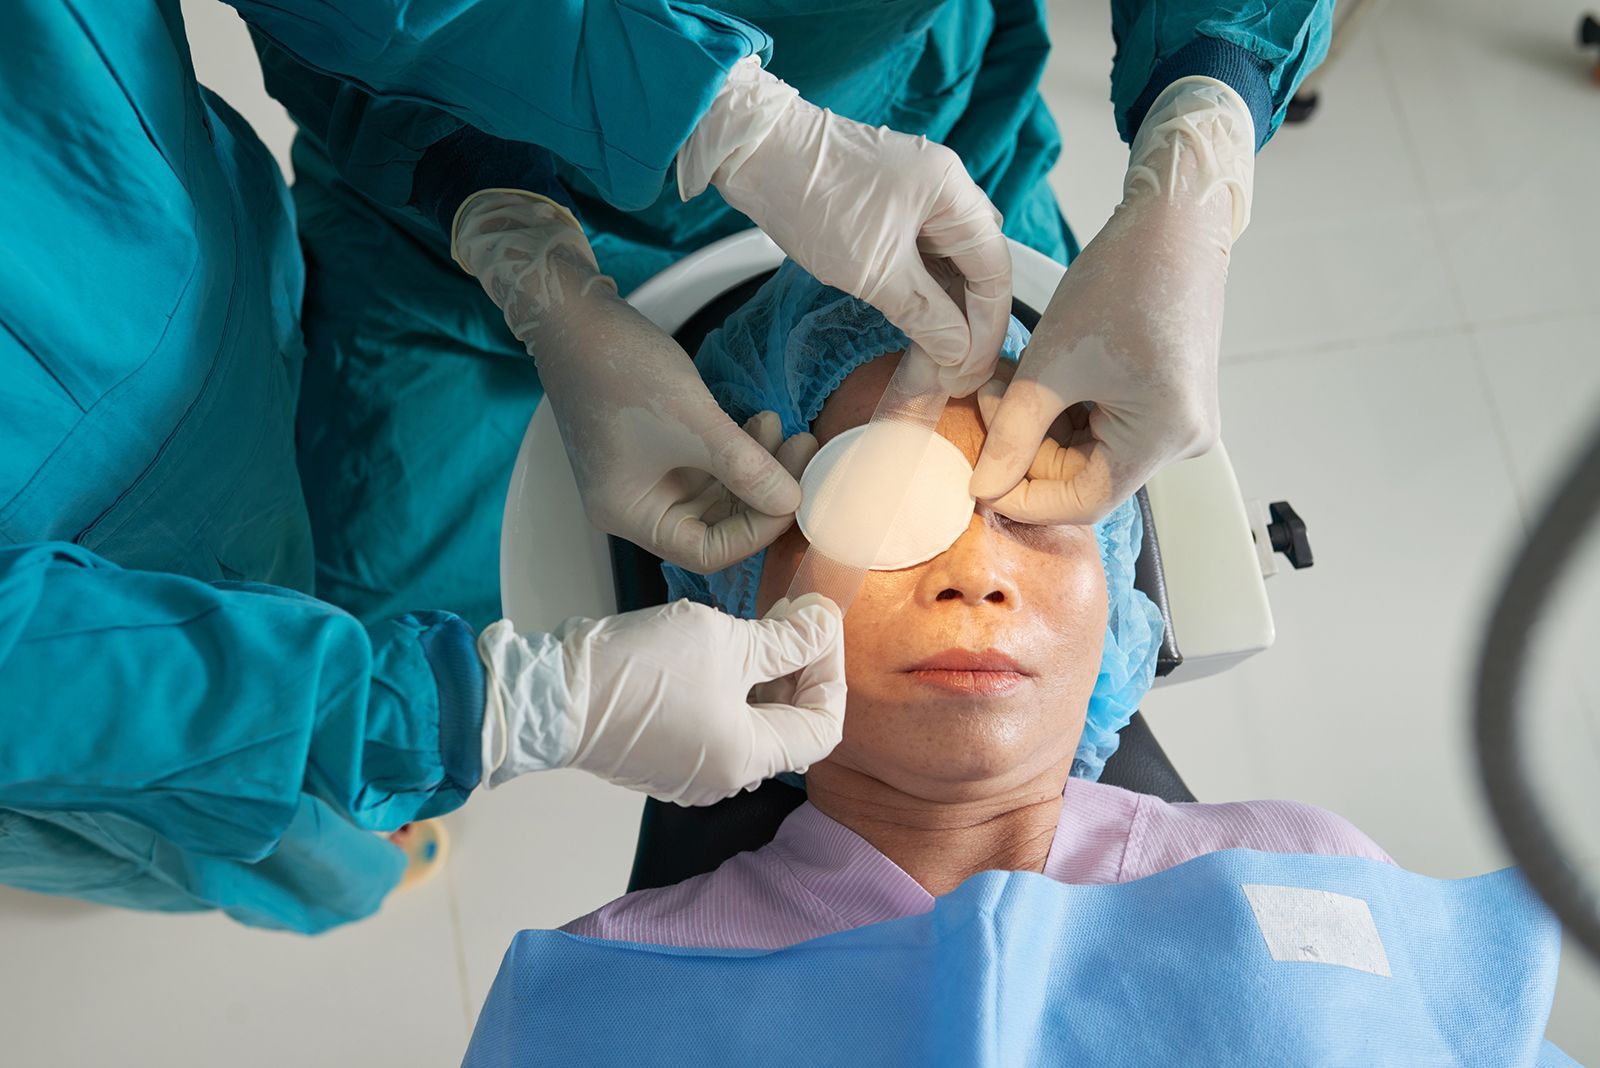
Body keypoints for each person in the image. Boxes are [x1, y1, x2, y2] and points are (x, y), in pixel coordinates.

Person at [460, 269, 1574, 1067]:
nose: (976, 576)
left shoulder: (1307, 869)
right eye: (888, 511)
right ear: (743, 583)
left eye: (1039, 511)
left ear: (1122, 588)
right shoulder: (606, 993)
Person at [0, 1, 880, 934]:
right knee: (245, 827)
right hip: (58, 676)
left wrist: (696, 111)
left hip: (196, 285)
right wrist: (461, 712)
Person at [254, 0, 1331, 635]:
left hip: (907, 128)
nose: (969, 586)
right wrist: (511, 232)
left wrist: (1207, 111)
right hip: (458, 163)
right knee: (375, 622)